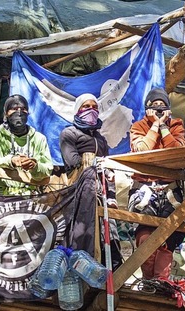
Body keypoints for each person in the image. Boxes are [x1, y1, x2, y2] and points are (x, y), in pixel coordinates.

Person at [129, 88, 185, 284]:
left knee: (171, 236)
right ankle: (148, 281)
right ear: (147, 109)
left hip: (171, 188)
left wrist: (164, 128)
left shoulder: (177, 125)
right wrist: (154, 126)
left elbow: (178, 152)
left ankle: (161, 282)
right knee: (145, 236)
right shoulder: (138, 126)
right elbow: (142, 148)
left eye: (162, 106)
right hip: (144, 187)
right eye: (154, 107)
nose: (159, 109)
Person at [59, 93, 122, 270]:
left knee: (110, 235)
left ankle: (112, 274)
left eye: (95, 107)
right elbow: (72, 161)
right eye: (86, 107)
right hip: (80, 193)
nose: (91, 110)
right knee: (82, 233)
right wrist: (94, 164)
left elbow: (109, 170)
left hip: (101, 193)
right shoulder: (69, 133)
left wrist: (111, 197)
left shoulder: (101, 139)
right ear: (78, 110)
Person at [0, 94, 53, 196]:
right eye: (14, 109)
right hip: (4, 196)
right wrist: (11, 160)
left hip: (32, 196)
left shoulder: (39, 138)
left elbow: (47, 170)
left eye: (23, 109)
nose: (19, 112)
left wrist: (34, 166)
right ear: (6, 113)